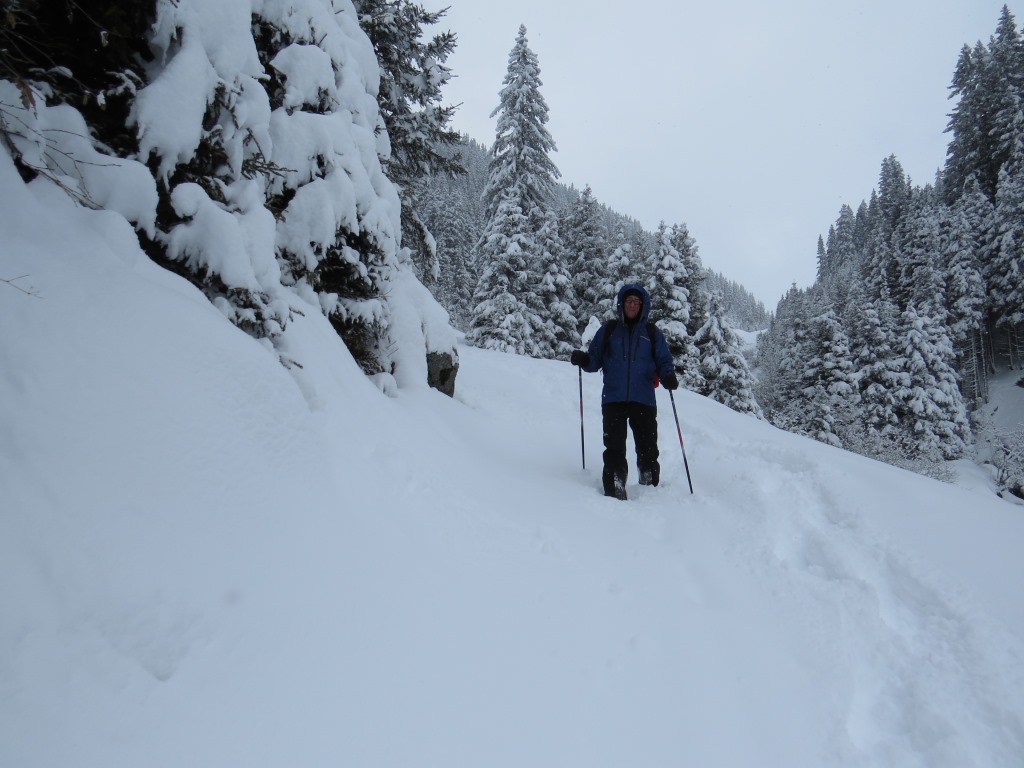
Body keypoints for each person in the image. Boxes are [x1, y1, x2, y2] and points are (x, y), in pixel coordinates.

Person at [570, 283, 678, 500]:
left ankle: (650, 487)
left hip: (644, 398)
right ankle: (614, 486)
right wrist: (584, 360)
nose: (632, 305)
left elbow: (664, 360)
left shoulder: (651, 333)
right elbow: (594, 360)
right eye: (628, 301)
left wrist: (668, 374)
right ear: (622, 304)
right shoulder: (609, 330)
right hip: (614, 398)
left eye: (636, 302)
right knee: (614, 447)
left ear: (643, 306)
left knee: (648, 447)